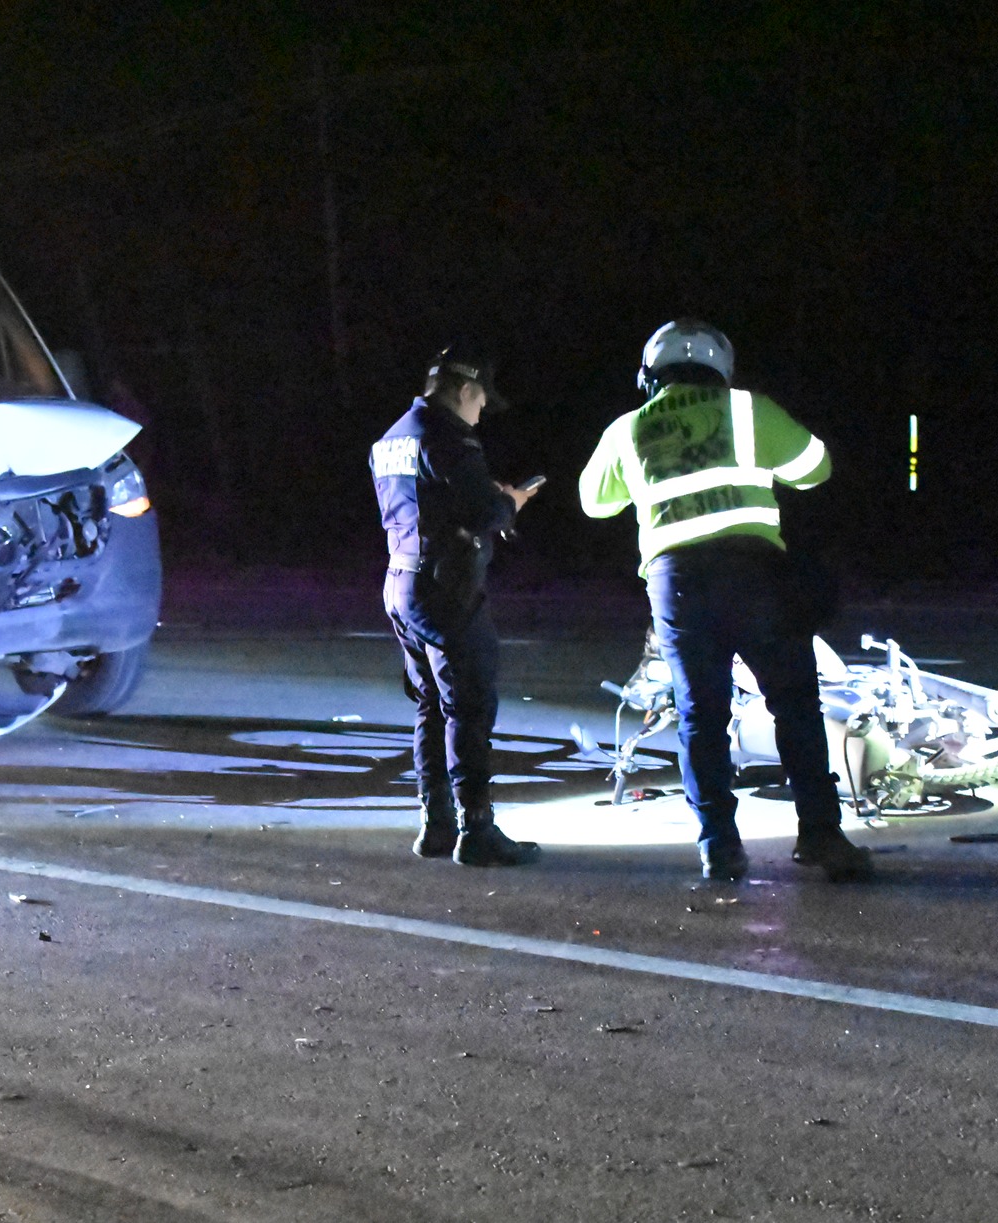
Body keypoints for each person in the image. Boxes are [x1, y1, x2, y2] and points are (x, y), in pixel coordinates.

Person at [579, 320, 870, 882]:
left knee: (700, 714)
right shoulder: (747, 410)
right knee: (795, 704)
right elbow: (817, 470)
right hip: (756, 576)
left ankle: (718, 845)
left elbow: (594, 502)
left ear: (650, 375)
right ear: (721, 369)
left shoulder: (627, 430)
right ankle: (820, 835)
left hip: (677, 583)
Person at [370, 345, 541, 866]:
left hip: (400, 581)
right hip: (445, 589)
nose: (483, 410)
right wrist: (511, 500)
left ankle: (437, 824)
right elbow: (483, 508)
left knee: (430, 706)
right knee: (468, 707)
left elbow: (430, 500)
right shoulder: (448, 436)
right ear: (465, 390)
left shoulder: (392, 437)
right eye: (482, 399)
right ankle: (477, 830)